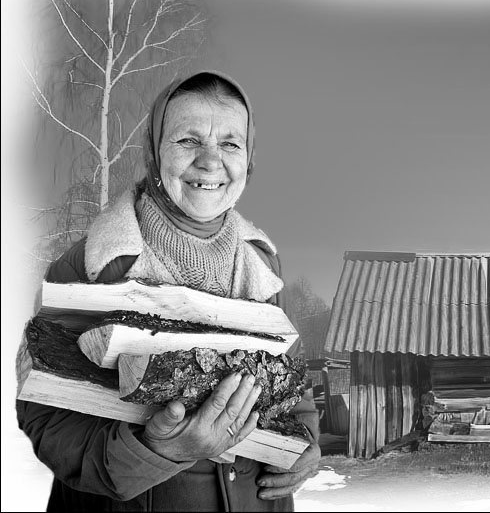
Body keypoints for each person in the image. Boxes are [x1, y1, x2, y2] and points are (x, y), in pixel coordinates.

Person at [17, 71, 321, 511]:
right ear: (153, 153)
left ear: (249, 162)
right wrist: (161, 452)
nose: (210, 161)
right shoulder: (93, 264)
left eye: (230, 144)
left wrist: (305, 443)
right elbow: (44, 414)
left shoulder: (263, 266)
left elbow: (291, 380)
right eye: (187, 140)